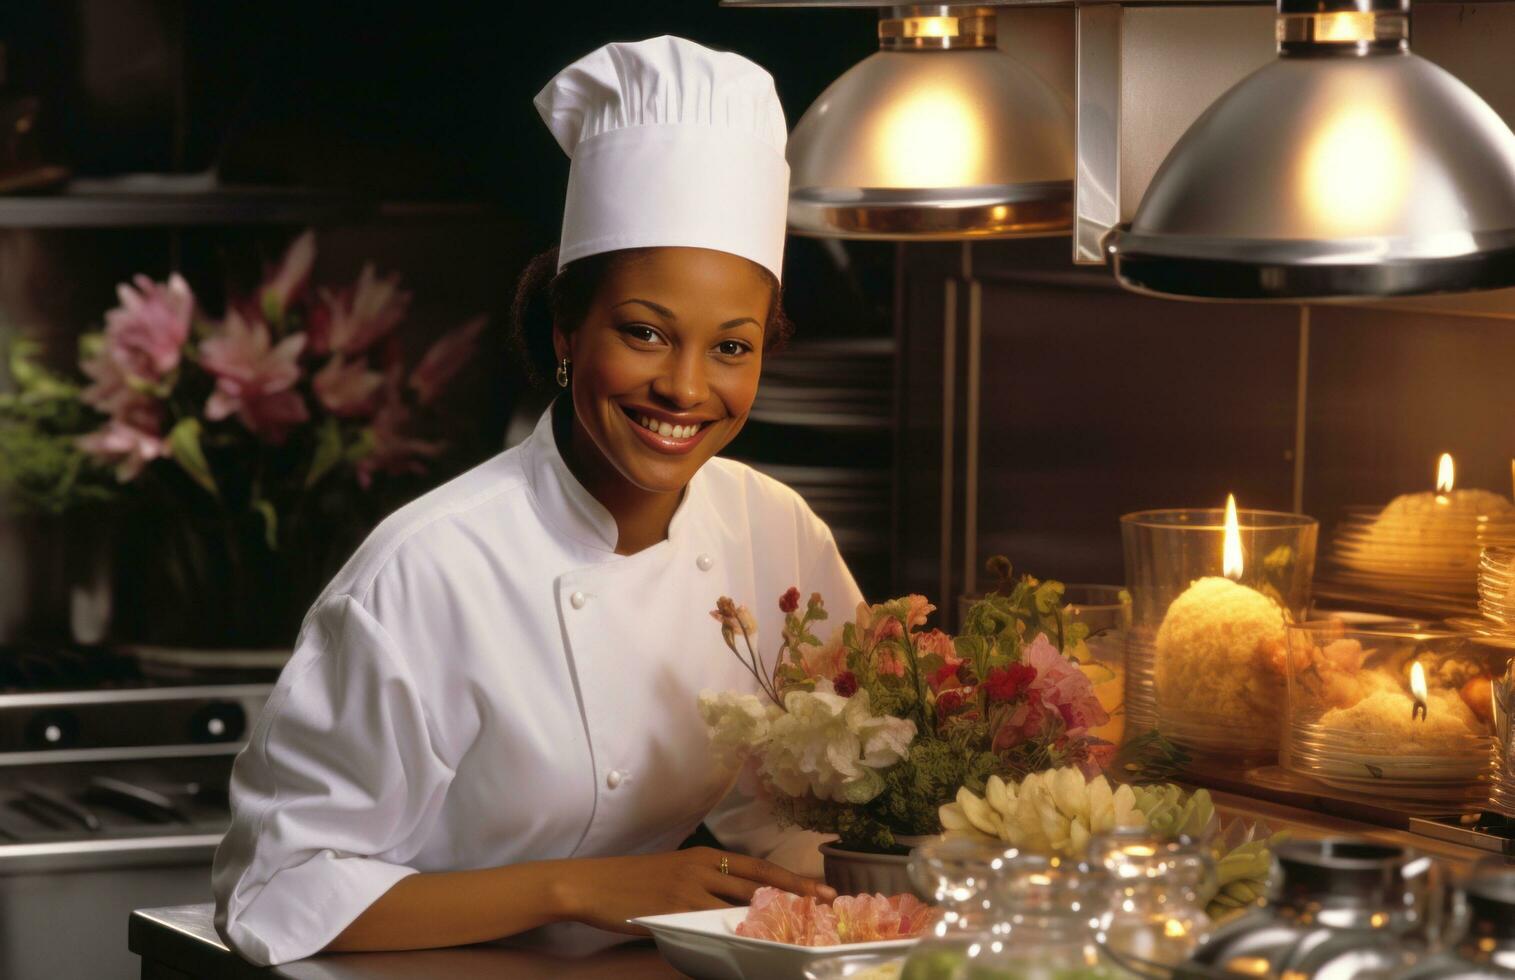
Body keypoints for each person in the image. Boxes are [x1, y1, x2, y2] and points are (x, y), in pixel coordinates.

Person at [210, 35, 863, 966]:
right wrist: (581, 887)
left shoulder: (772, 529)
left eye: (731, 346)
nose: (684, 389)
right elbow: (276, 888)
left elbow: (798, 802)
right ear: (566, 329)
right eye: (644, 332)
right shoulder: (429, 569)